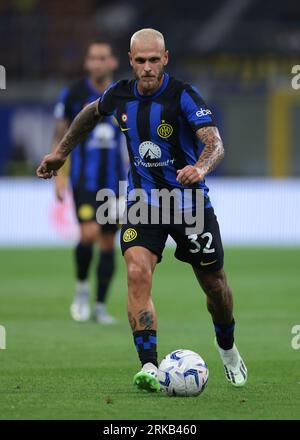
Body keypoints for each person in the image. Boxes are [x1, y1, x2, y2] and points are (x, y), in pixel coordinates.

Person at [37, 28, 247, 390]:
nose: (148, 67)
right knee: (137, 271)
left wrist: (199, 167)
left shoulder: (183, 95)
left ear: (165, 59)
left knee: (215, 286)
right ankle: (149, 366)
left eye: (154, 60)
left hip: (188, 204)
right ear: (131, 61)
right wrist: (61, 153)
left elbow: (214, 143)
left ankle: (227, 346)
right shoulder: (119, 94)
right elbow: (90, 113)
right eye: (141, 61)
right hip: (143, 202)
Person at [52, 40, 127, 324]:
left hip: (115, 183)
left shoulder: (123, 94)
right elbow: (59, 136)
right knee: (88, 234)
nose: (98, 63)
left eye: (103, 58)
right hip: (84, 180)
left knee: (109, 242)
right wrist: (59, 176)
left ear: (112, 62)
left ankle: (99, 306)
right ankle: (82, 289)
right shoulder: (73, 94)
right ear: (87, 63)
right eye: (93, 58)